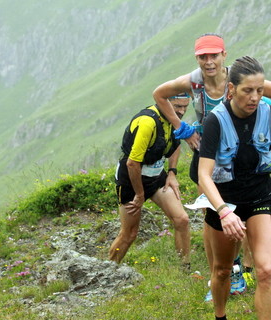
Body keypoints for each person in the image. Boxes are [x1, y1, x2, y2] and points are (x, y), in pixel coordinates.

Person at [152, 33, 267, 300]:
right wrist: (182, 129)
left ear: (224, 55)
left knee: (250, 210)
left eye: (214, 55)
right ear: (197, 58)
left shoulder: (240, 80)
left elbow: (264, 91)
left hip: (242, 157)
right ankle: (221, 272)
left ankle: (243, 268)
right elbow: (159, 94)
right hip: (210, 157)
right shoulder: (193, 82)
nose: (209, 61)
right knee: (213, 214)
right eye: (203, 56)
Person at [198, 56, 271, 320]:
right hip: (225, 202)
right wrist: (224, 212)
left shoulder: (268, 113)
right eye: (247, 90)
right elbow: (204, 175)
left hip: (260, 197)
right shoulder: (215, 121)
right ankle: (220, 315)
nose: (255, 98)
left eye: (260, 90)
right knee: (221, 270)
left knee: (266, 271)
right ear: (231, 90)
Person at [109, 94, 191, 270]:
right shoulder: (148, 122)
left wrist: (172, 173)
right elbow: (132, 163)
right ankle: (108, 271)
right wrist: (139, 194)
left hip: (156, 175)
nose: (182, 111)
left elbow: (176, 144)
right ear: (165, 102)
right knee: (130, 234)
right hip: (131, 178)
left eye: (185, 106)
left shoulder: (173, 120)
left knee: (182, 220)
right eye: (178, 106)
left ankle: (186, 268)